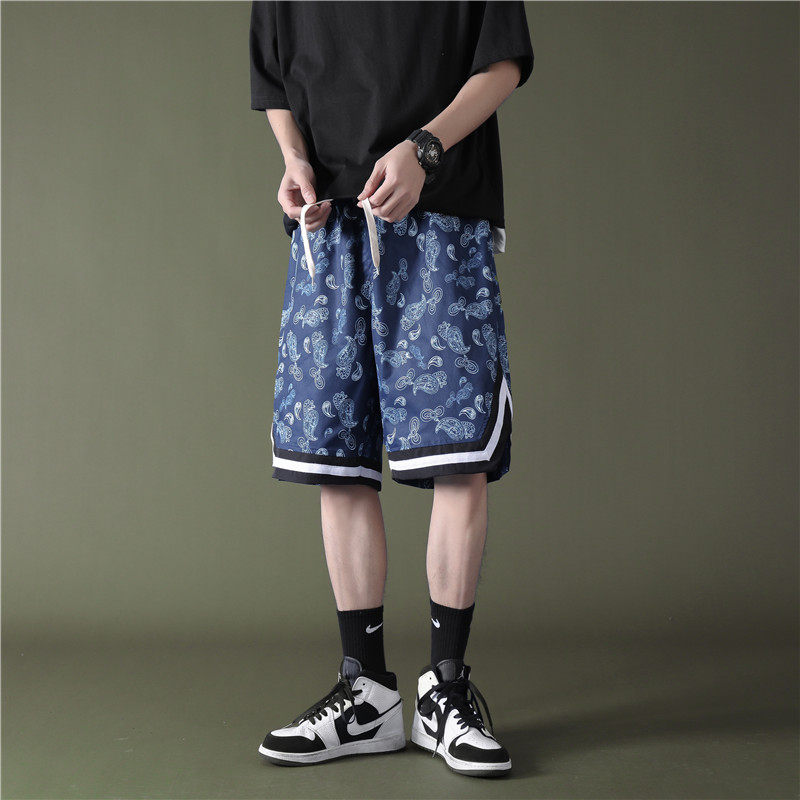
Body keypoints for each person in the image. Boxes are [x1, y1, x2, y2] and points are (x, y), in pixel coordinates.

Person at [249, 0, 533, 778]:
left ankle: (447, 689)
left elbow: (504, 60)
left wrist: (424, 149)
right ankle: (366, 693)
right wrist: (293, 160)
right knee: (335, 460)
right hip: (328, 224)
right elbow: (275, 77)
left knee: (457, 455)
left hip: (440, 213)